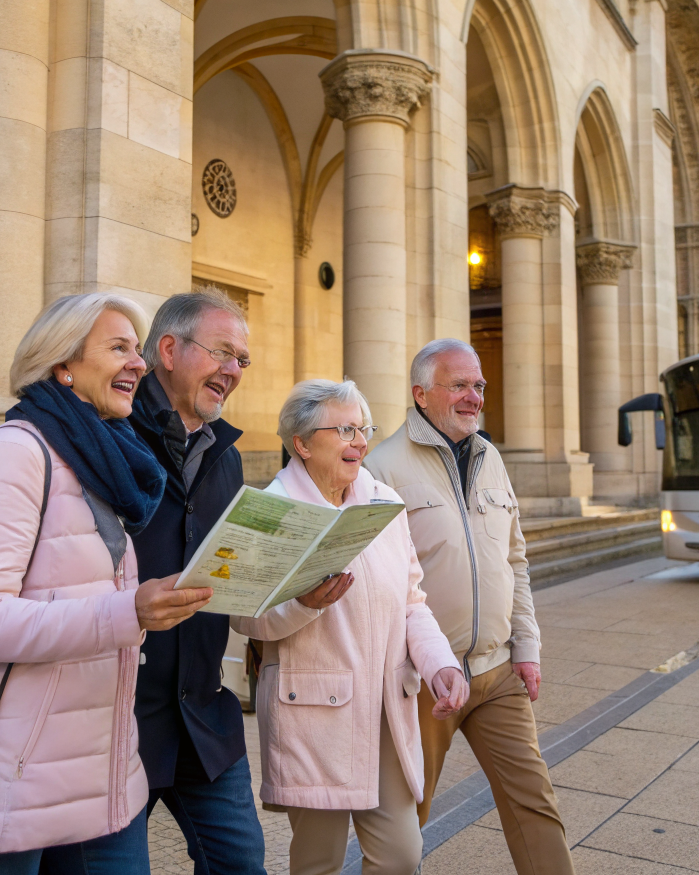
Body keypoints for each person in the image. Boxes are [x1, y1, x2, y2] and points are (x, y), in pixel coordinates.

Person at [0, 293, 213, 873]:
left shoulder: (106, 461)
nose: (139, 365)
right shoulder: (12, 456)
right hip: (12, 783)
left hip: (103, 776)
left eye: (137, 350)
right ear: (62, 364)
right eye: (118, 348)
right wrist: (127, 614)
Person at [232, 380, 469, 875]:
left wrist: (440, 663)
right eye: (343, 429)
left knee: (402, 856)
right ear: (301, 443)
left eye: (363, 428)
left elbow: (412, 603)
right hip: (315, 714)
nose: (360, 441)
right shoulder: (270, 511)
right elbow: (246, 617)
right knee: (320, 862)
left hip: (385, 710)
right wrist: (304, 604)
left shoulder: (384, 502)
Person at [366, 338, 575, 875]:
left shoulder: (491, 457)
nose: (473, 397)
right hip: (423, 680)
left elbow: (515, 560)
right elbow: (378, 585)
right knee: (404, 829)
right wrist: (418, 666)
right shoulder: (381, 469)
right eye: (458, 385)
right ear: (420, 394)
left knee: (536, 804)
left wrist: (525, 647)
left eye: (478, 385)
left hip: (496, 671)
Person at [127, 288, 266, 875]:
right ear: (167, 349)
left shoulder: (226, 453)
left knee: (242, 865)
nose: (233, 371)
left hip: (204, 716)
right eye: (222, 353)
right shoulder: (111, 432)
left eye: (242, 360)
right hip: (121, 720)